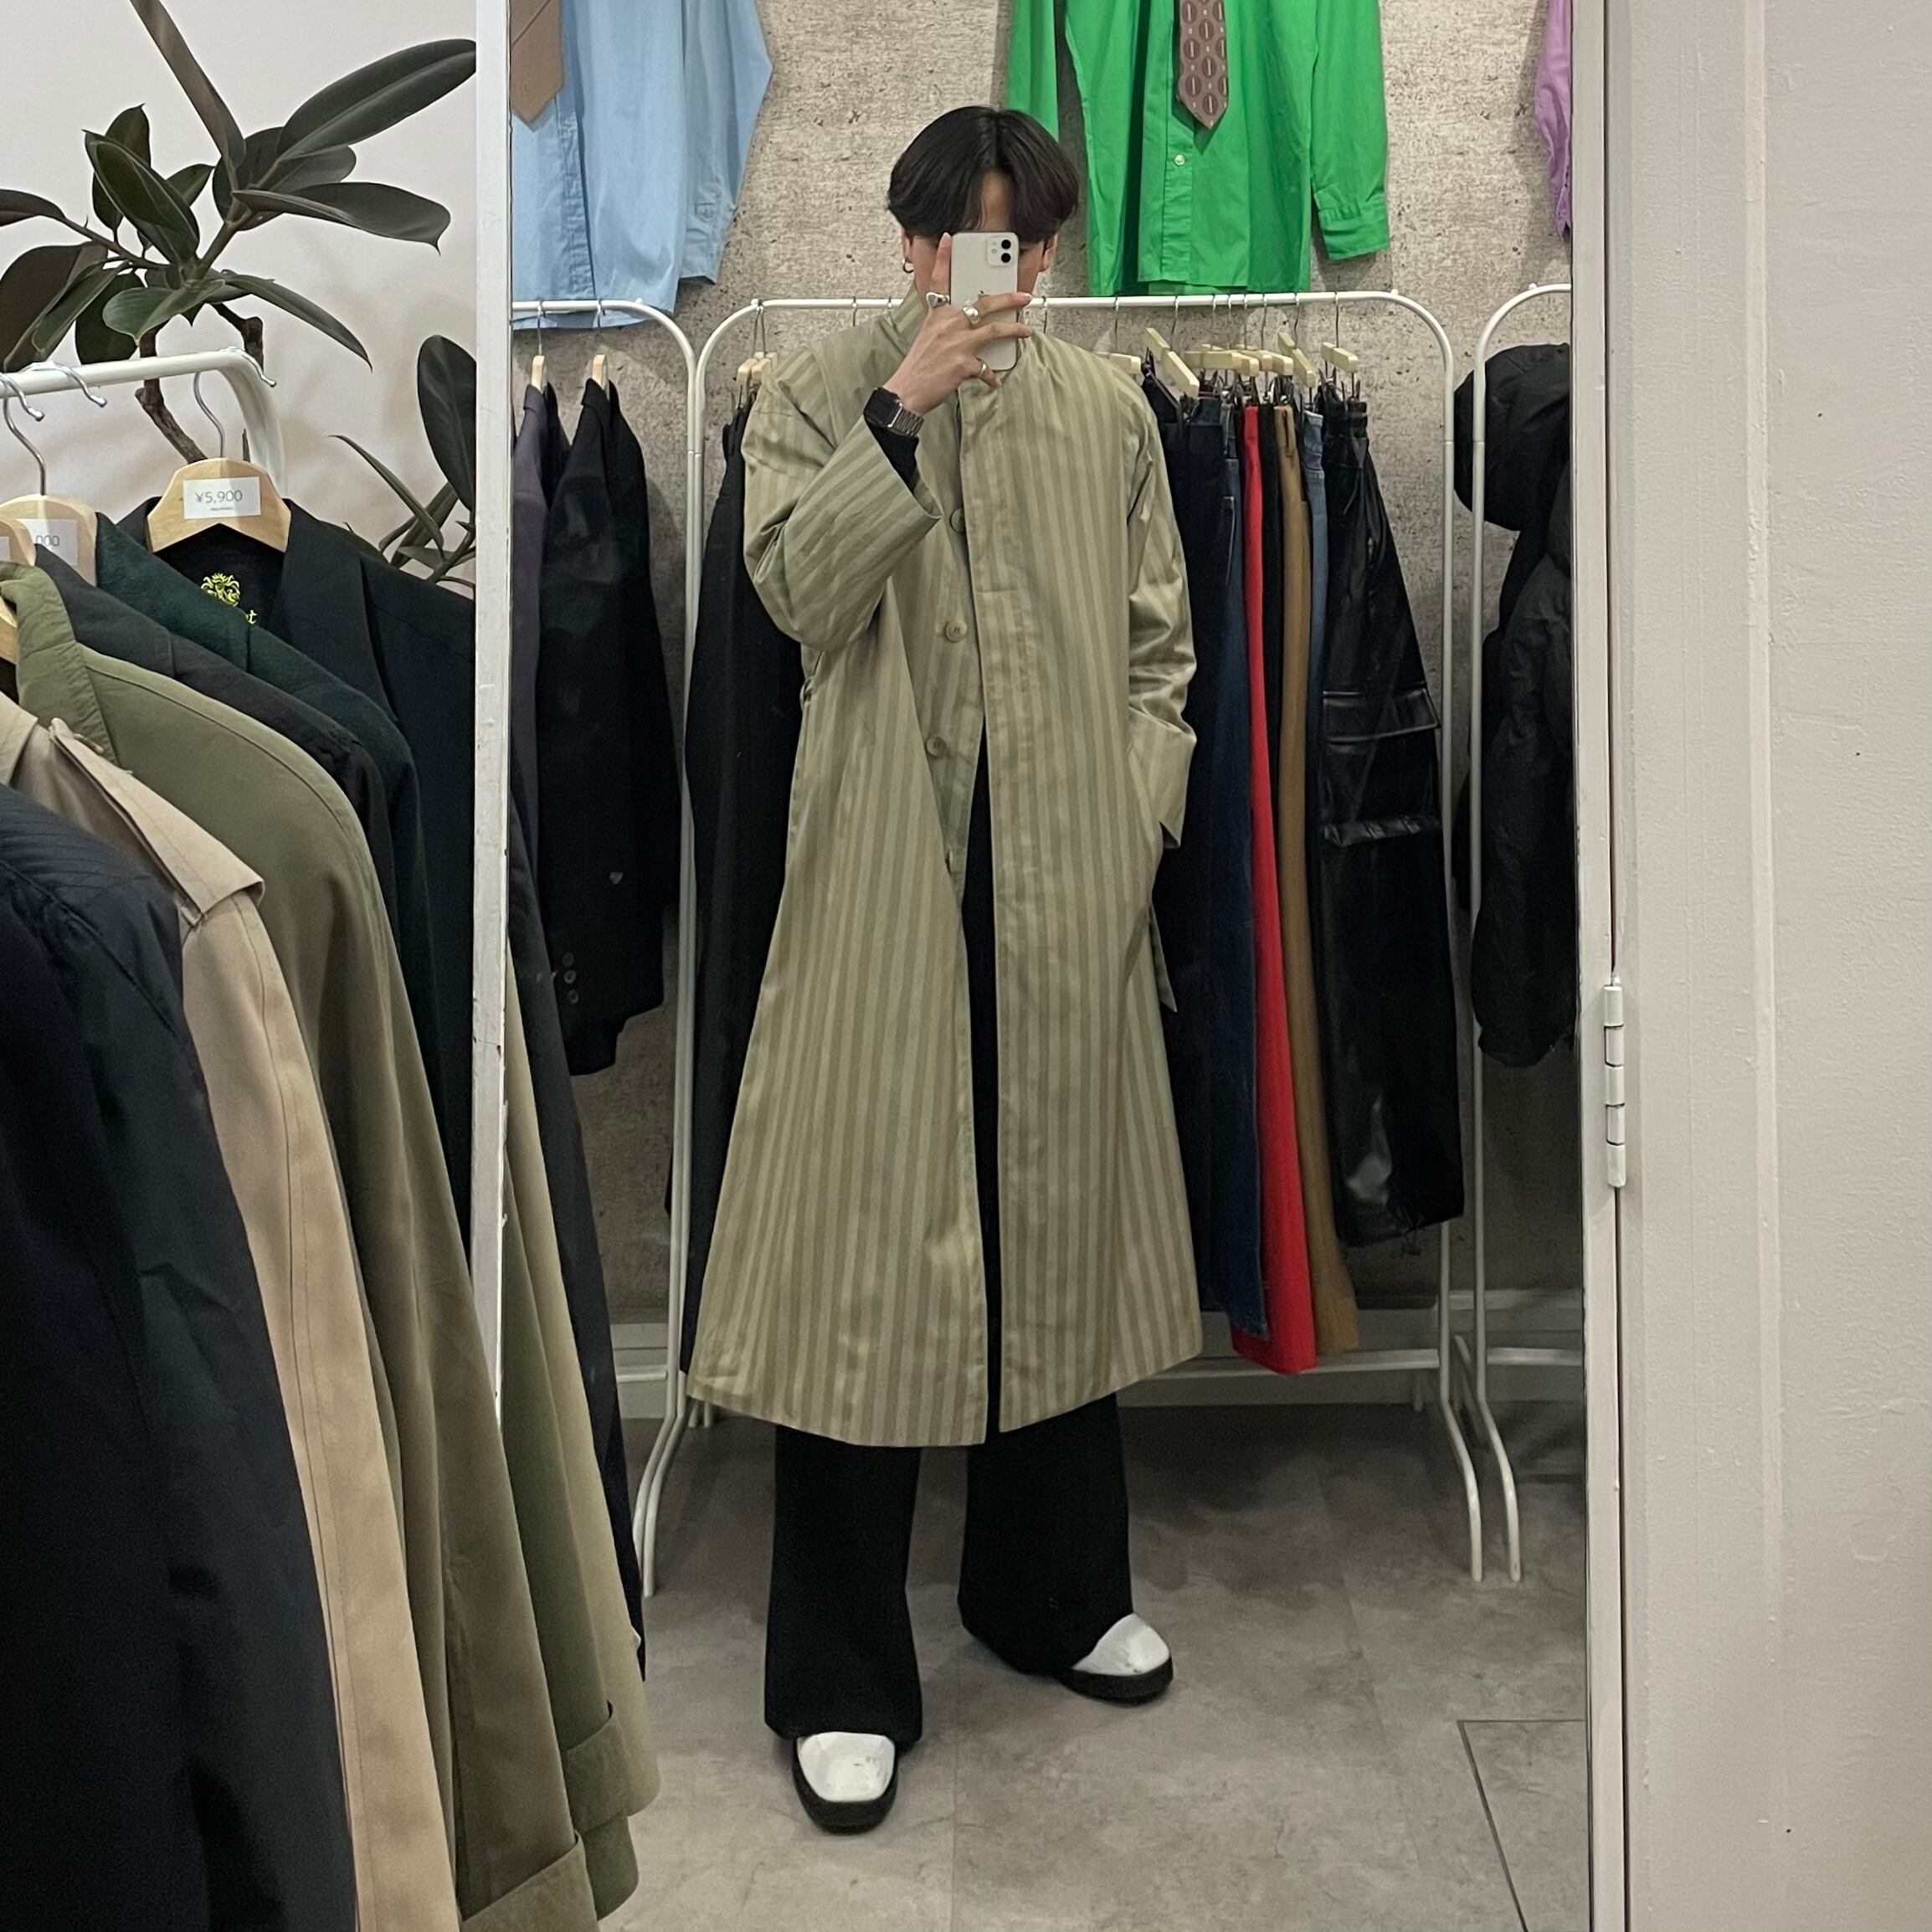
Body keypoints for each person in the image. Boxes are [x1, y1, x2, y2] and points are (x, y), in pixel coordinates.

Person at [687, 105, 1201, 1832]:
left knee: (1050, 1227)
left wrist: (1132, 822)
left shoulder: (1105, 411)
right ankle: (840, 1675)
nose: (998, 270)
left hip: (1061, 890)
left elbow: (1159, 647)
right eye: (967, 237)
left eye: (1024, 243)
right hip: (881, 892)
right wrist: (900, 409)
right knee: (864, 1266)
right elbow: (794, 595)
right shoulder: (815, 393)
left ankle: (1049, 1593)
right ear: (910, 238)